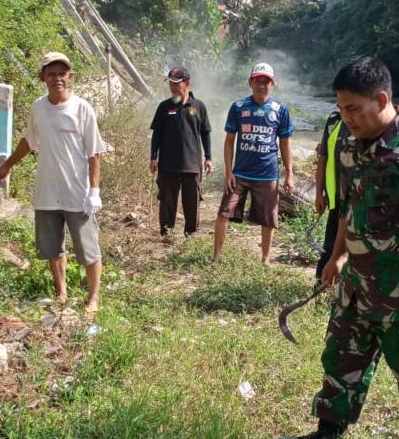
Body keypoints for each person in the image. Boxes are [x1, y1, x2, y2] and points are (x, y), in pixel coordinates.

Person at [274, 56, 399, 439]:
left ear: (382, 99)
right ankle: (326, 433)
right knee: (341, 357)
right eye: (341, 109)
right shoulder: (347, 144)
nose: (347, 118)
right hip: (357, 282)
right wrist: (338, 255)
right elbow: (347, 209)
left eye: (354, 109)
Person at [0, 52, 106, 313]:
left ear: (70, 77)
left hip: (77, 193)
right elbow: (29, 141)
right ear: (42, 77)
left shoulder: (82, 109)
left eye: (62, 73)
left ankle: (93, 298)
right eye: (52, 73)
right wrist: (7, 165)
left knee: (88, 248)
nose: (57, 78)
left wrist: (94, 191)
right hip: (47, 191)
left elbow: (94, 152)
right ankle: (62, 292)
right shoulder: (38, 107)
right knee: (52, 247)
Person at [212, 62, 294, 264]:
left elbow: (285, 143)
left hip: (268, 175)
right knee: (224, 213)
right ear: (250, 82)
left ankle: (265, 259)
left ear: (272, 84)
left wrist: (289, 174)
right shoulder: (239, 107)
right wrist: (229, 173)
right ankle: (216, 257)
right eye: (258, 80)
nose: (262, 85)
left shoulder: (280, 110)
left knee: (268, 219)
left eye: (266, 81)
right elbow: (229, 141)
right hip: (239, 174)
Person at [149, 67, 213, 239]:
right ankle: (167, 234)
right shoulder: (164, 107)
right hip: (168, 165)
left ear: (187, 83)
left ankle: (191, 233)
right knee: (167, 201)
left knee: (192, 202)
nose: (173, 87)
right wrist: (153, 157)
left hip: (192, 165)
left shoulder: (198, 106)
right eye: (171, 83)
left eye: (177, 84)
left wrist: (209, 158)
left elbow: (205, 133)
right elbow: (157, 134)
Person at [313, 108, 349, 281]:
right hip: (336, 199)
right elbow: (323, 158)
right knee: (331, 246)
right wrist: (319, 193)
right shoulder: (334, 121)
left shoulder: (366, 123)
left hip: (357, 201)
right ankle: (321, 285)